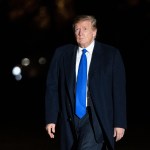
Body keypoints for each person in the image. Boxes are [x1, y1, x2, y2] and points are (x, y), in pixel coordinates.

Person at [45, 15, 127, 150]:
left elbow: (118, 91)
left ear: (94, 32)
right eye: (77, 29)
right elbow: (52, 87)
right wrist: (51, 119)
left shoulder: (110, 55)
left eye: (84, 29)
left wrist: (119, 122)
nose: (80, 33)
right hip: (69, 117)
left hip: (96, 117)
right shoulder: (62, 54)